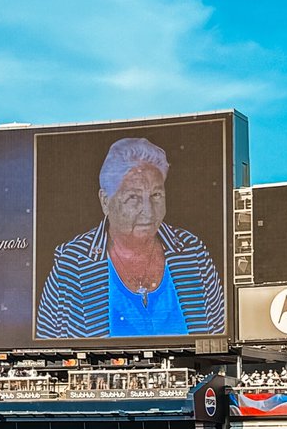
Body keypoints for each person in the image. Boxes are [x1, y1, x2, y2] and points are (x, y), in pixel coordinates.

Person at [36, 137, 224, 338]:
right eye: (133, 197)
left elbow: (220, 333)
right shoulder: (73, 262)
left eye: (156, 195)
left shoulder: (192, 251)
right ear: (105, 201)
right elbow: (49, 344)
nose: (148, 211)